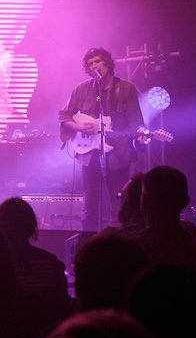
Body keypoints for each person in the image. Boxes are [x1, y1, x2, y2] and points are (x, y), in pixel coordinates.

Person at [59, 47, 147, 230]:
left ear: (107, 63)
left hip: (118, 155)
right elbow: (63, 116)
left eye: (97, 61)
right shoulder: (81, 89)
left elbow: (136, 122)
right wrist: (77, 127)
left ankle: (120, 245)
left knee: (119, 204)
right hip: (89, 154)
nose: (94, 66)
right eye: (90, 64)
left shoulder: (126, 89)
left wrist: (140, 136)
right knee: (90, 205)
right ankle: (88, 246)